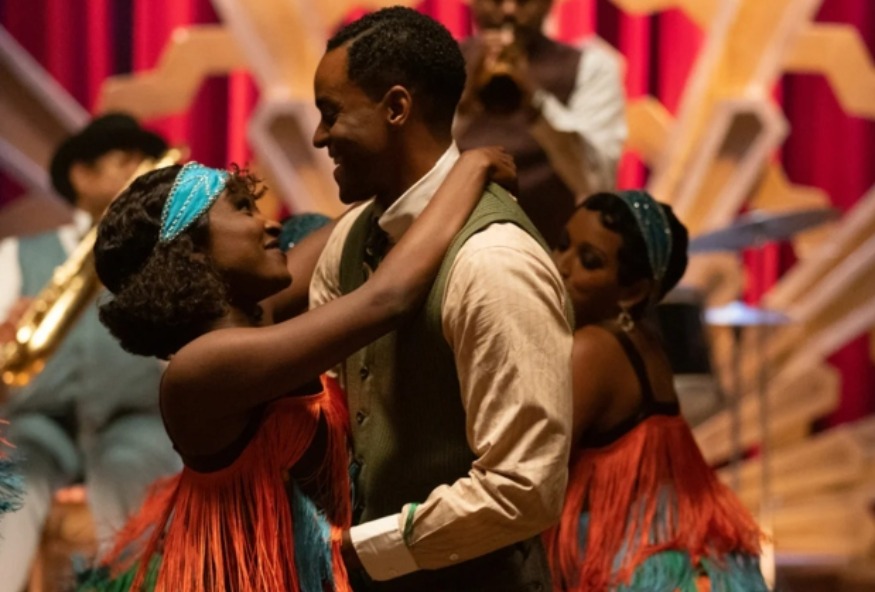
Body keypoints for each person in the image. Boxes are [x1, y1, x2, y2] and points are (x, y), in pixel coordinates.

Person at [79, 146, 517, 591]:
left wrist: (420, 162)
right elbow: (387, 300)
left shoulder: (257, 316)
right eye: (243, 208)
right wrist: (472, 165)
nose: (272, 224)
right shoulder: (202, 368)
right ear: (190, 252)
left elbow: (350, 226)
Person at [309, 7, 572, 591]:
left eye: (331, 114)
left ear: (396, 108)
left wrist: (359, 551)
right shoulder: (348, 240)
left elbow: (524, 488)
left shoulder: (493, 260)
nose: (319, 137)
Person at [546, 190, 768, 591]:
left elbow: (535, 467)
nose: (561, 265)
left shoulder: (593, 349)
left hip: (627, 565)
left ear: (632, 291)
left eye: (589, 260)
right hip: (671, 554)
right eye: (562, 244)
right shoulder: (647, 344)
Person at [0, 113, 181, 592]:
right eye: (125, 161)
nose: (139, 172)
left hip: (135, 419)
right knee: (8, 479)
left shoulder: (164, 257)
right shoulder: (17, 254)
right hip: (38, 421)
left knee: (132, 477)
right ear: (81, 176)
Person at [455, 0, 627, 249]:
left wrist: (537, 103)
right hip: (451, 249)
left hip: (548, 250)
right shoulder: (438, 63)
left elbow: (597, 182)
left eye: (524, 0)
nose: (509, 10)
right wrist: (462, 99)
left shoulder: (591, 68)